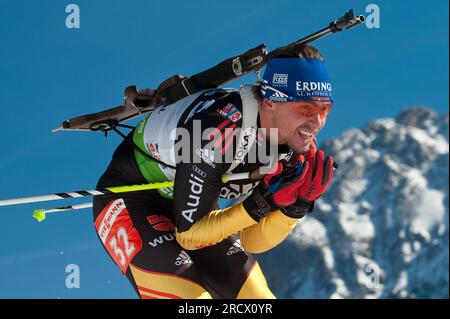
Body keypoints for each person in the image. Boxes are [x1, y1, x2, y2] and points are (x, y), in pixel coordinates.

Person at [92, 45, 335, 299]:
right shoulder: (216, 131)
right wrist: (260, 203)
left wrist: (293, 209)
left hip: (197, 212)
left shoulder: (296, 147)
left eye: (324, 109)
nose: (316, 122)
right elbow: (189, 236)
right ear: (271, 101)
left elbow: (252, 240)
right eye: (305, 109)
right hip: (130, 200)